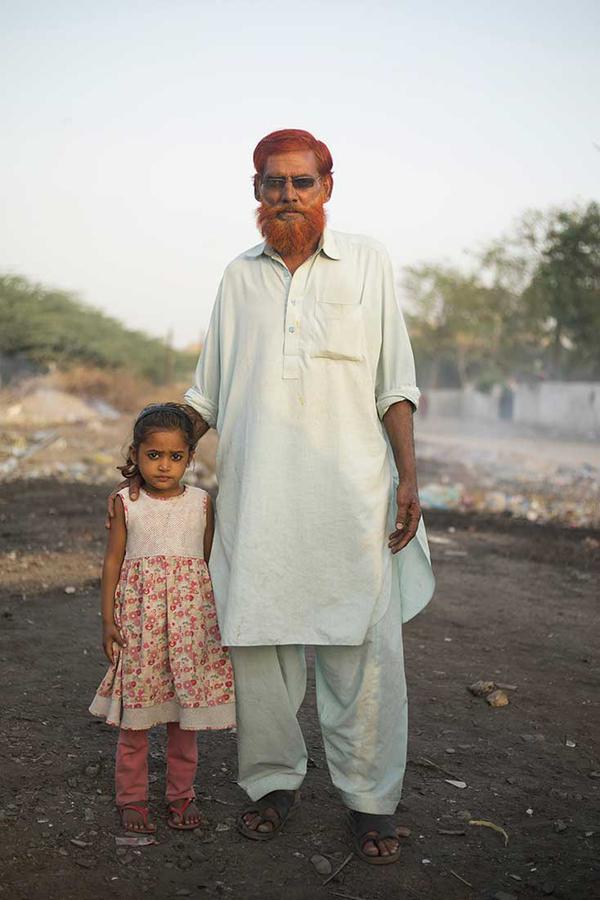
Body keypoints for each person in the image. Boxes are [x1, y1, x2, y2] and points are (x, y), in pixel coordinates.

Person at [109, 129, 434, 864]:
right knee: (259, 652)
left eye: (301, 182)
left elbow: (396, 384)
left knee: (365, 655)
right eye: (272, 184)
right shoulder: (239, 276)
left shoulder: (369, 264)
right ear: (255, 191)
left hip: (353, 500)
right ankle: (271, 785)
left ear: (327, 185)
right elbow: (208, 394)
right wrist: (155, 451)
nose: (286, 196)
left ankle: (370, 801)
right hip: (257, 503)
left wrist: (409, 477)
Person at [92, 403, 235, 833]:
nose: (164, 466)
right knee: (135, 722)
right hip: (141, 625)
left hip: (191, 628)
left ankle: (181, 795)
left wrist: (218, 623)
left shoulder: (202, 503)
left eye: (175, 457)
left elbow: (209, 564)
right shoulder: (126, 502)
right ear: (136, 454)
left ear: (190, 458)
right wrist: (107, 620)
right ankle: (132, 799)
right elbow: (112, 562)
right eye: (154, 455)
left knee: (183, 721)